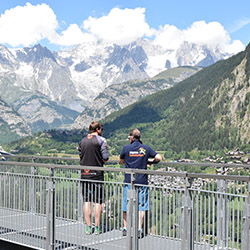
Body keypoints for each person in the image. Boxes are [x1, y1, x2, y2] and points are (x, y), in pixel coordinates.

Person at [118, 128, 162, 237]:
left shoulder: (126, 148)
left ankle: (125, 228)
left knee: (126, 203)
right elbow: (159, 158)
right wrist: (149, 161)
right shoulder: (145, 148)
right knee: (141, 205)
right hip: (142, 181)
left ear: (131, 138)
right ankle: (139, 229)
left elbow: (120, 161)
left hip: (129, 181)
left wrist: (127, 159)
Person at [78, 121, 109, 235]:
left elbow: (80, 154)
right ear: (97, 129)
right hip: (97, 174)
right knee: (98, 202)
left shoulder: (82, 141)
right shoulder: (101, 140)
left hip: (84, 174)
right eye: (101, 129)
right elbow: (105, 158)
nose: (101, 131)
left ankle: (87, 227)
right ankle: (97, 228)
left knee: (87, 201)